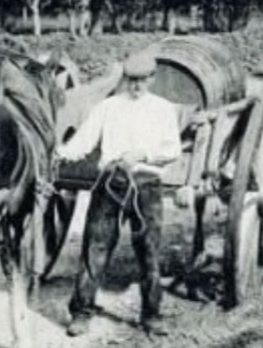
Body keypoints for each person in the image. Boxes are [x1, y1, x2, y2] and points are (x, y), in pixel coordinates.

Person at [56, 52, 182, 337]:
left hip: (146, 185)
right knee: (95, 248)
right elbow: (83, 142)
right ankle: (81, 312)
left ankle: (152, 315)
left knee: (149, 252)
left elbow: (172, 149)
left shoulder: (163, 109)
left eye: (142, 80)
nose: (136, 86)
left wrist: (143, 154)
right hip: (110, 185)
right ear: (125, 79)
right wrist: (61, 154)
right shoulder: (108, 107)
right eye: (132, 80)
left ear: (152, 79)